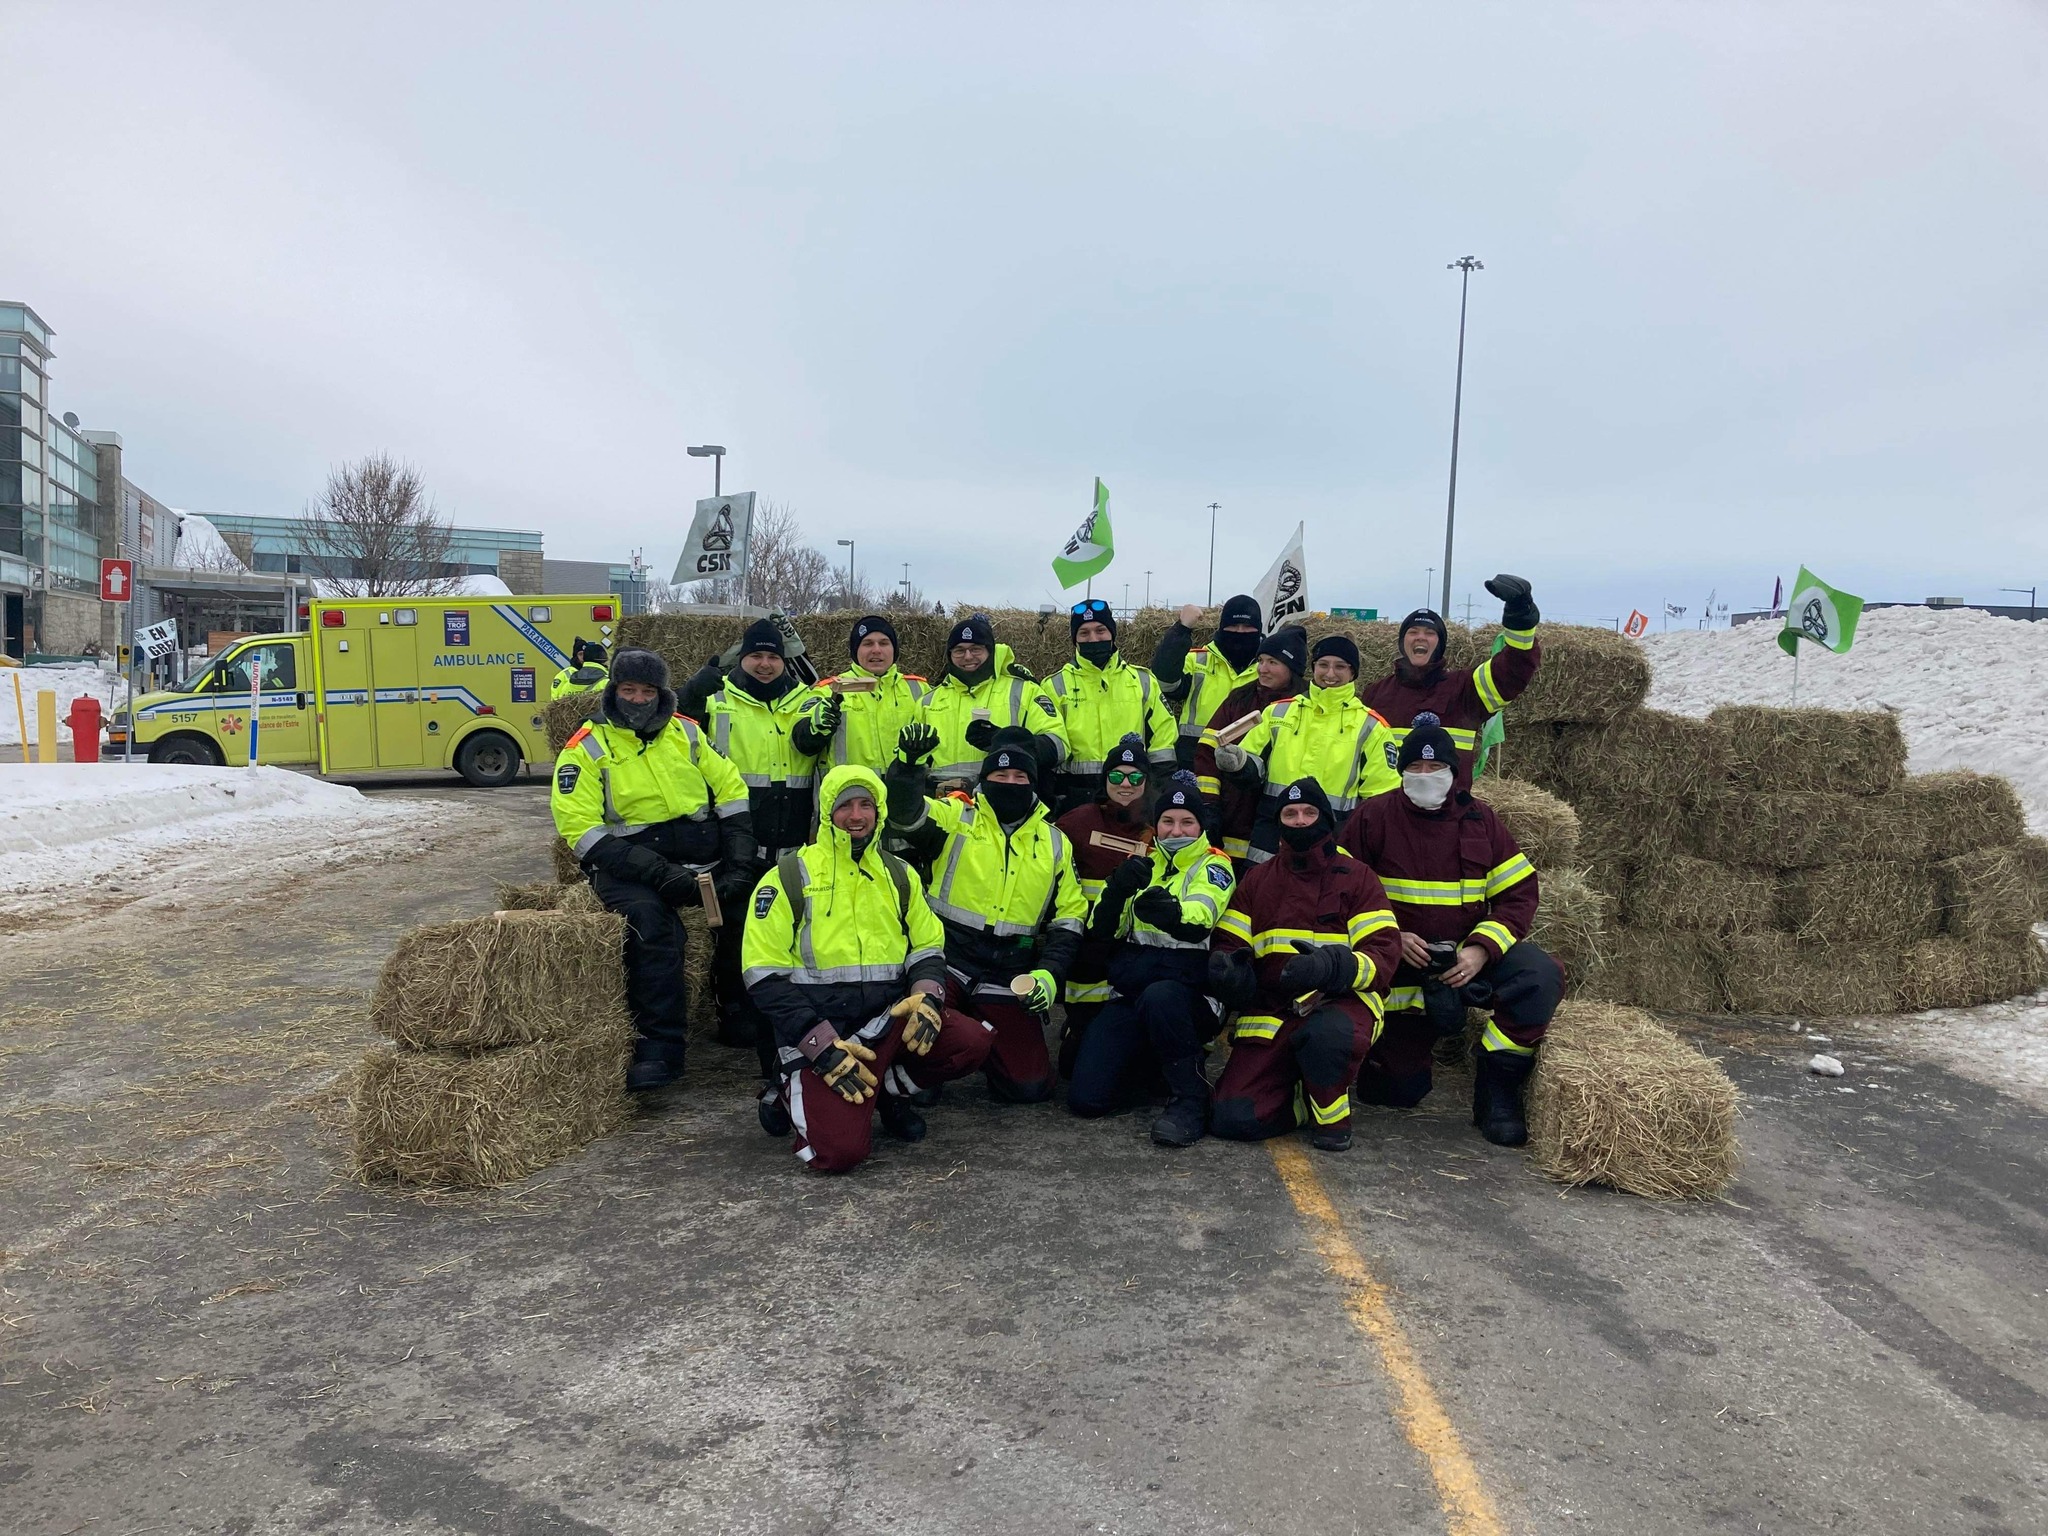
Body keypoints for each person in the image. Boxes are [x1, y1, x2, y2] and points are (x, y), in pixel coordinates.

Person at [742, 765, 997, 1170]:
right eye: (845, 806)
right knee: (838, 1154)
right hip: (824, 1034)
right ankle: (786, 1086)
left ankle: (887, 1092)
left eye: (866, 805)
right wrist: (820, 1048)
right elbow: (763, 977)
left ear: (879, 812)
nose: (856, 816)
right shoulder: (787, 877)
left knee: (972, 1041)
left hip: (886, 1022)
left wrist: (928, 997)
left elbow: (928, 946)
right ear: (827, 812)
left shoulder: (900, 875)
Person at [1336, 715, 1561, 1146]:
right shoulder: (1373, 816)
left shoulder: (1482, 820)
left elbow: (1519, 895)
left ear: (1453, 773)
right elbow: (1339, 891)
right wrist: (1388, 937)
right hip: (1398, 964)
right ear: (1401, 772)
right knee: (1394, 1093)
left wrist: (1480, 949)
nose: (1425, 776)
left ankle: (1497, 1093)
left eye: (1435, 767)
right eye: (1415, 768)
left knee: (1539, 975)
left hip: (1465, 961)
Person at [550, 648, 756, 1092]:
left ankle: (740, 1015)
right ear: (614, 690)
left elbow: (731, 789)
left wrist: (740, 862)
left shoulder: (688, 732)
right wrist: (658, 873)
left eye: (648, 691)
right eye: (629, 690)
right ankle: (660, 1048)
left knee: (749, 911)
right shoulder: (585, 746)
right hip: (629, 866)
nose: (639, 699)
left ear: (662, 693)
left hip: (701, 856)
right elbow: (579, 828)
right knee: (653, 928)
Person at [883, 729, 1088, 1103]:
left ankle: (977, 1036)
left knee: (1028, 1086)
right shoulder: (956, 815)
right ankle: (934, 1059)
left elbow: (1070, 918)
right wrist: (907, 769)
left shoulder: (1056, 842)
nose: (1009, 783)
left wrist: (1048, 974)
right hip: (947, 960)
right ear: (984, 779)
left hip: (1008, 971)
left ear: (1033, 783)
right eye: (999, 775)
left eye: (1019, 776)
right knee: (919, 1063)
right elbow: (905, 815)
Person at [1208, 779, 1402, 1152]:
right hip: (1274, 1010)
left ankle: (1331, 1118)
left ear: (1326, 819)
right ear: (1279, 822)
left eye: (1309, 812)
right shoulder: (1258, 879)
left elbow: (1383, 953)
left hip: (1341, 1002)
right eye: (1290, 813)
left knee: (1327, 1037)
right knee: (1231, 1118)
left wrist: (1330, 968)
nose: (1300, 820)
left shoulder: (1358, 877)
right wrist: (1230, 972)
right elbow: (1231, 943)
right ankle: (1298, 1099)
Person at [1067, 773, 1236, 1147]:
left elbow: (1201, 915)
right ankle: (1151, 1067)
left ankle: (1191, 1100)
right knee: (1086, 1100)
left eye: (1187, 822)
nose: (1176, 830)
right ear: (1156, 825)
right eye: (1168, 821)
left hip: (1188, 995)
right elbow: (1102, 929)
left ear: (1200, 826)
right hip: (1133, 992)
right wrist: (1117, 890)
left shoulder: (1213, 865)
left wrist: (1171, 913)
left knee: (1162, 997)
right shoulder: (1142, 862)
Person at [701, 619, 836, 1071]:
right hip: (740, 839)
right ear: (742, 658)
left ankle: (790, 1014)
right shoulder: (717, 701)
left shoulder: (806, 700)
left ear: (784, 660)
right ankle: (736, 1011)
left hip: (794, 841)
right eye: (756, 656)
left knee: (795, 930)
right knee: (736, 932)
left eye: (773, 656)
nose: (764, 664)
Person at [1209, 634, 1399, 865]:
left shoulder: (1371, 727)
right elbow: (1252, 764)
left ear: (1353, 673)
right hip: (1273, 832)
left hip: (1333, 835)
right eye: (1323, 665)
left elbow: (1381, 796)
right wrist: (1237, 763)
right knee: (1263, 887)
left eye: (1340, 666)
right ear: (1313, 668)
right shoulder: (1278, 712)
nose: (1330, 674)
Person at [1362, 576, 1541, 787]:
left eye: (1430, 633)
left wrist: (1520, 614)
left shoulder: (1465, 688)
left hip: (1449, 805)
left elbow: (1513, 669)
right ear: (1403, 641)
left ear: (1440, 644)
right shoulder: (1375, 694)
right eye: (1413, 632)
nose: (1420, 637)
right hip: (1390, 806)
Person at [1052, 734, 1154, 1077]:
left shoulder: (1160, 826)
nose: (1126, 784)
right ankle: (1079, 1027)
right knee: (1073, 1067)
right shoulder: (1076, 822)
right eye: (1116, 776)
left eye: (1135, 777)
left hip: (1137, 942)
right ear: (1104, 779)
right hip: (1089, 944)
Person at [1043, 597, 1177, 814]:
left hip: (1131, 790)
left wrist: (1158, 791)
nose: (1093, 638)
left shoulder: (1142, 680)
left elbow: (1163, 740)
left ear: (1112, 633)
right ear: (1075, 640)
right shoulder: (1054, 685)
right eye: (1084, 633)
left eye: (1100, 630)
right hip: (1075, 796)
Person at [1193, 625, 1307, 864]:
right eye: (1261, 660)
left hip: (1279, 820)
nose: (1262, 669)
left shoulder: (1306, 708)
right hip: (1232, 813)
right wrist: (1209, 804)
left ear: (1293, 668)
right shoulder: (1239, 699)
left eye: (1273, 662)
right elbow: (1207, 751)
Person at [920, 612, 1066, 792]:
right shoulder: (928, 701)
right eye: (959, 650)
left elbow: (1058, 745)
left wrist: (1005, 740)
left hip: (1005, 798)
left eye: (976, 649)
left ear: (990, 651)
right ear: (949, 655)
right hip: (945, 801)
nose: (968, 656)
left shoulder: (1023, 691)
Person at [1151, 594, 1265, 769]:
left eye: (1247, 626)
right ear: (1222, 627)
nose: (1240, 632)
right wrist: (1181, 629)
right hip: (1195, 757)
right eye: (1233, 626)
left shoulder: (1268, 668)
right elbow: (1164, 681)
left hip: (1249, 759)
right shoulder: (1197, 660)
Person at [807, 614, 930, 775]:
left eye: (884, 643)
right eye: (867, 643)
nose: (876, 650)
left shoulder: (919, 689)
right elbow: (801, 742)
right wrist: (813, 728)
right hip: (851, 789)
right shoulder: (829, 690)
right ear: (855, 650)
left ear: (894, 649)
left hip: (904, 788)